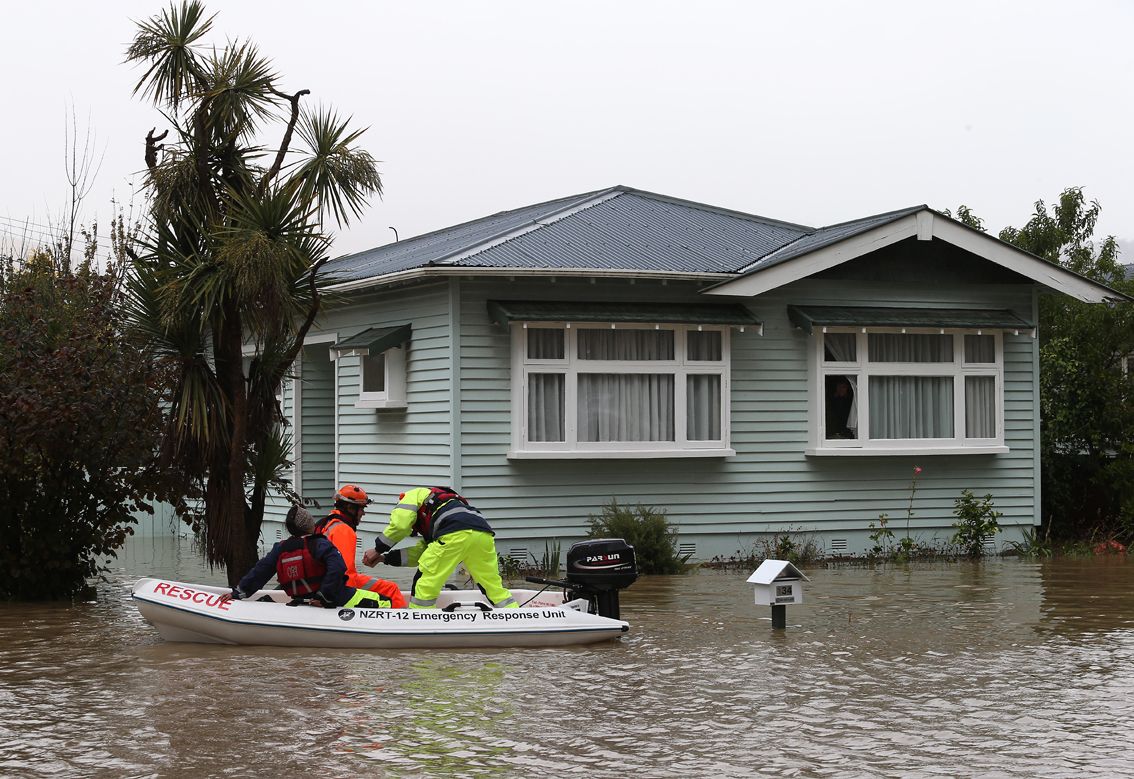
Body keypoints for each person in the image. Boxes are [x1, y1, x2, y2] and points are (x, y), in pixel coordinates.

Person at [362, 486, 518, 610]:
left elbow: (400, 526)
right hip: (483, 534)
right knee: (492, 585)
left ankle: (420, 622)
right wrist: (385, 558)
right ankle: (513, 615)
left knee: (424, 583)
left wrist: (377, 550)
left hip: (453, 534)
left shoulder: (410, 497)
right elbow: (421, 554)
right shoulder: (440, 507)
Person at [224, 504, 393, 608]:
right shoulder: (319, 543)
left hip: (301, 598)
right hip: (335, 598)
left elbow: (261, 570)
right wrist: (324, 596)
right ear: (309, 524)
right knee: (386, 601)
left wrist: (239, 592)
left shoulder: (280, 548)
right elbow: (338, 567)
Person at [313, 484, 407, 608]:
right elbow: (346, 573)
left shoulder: (326, 523)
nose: (363, 513)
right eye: (361, 508)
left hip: (325, 582)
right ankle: (401, 623)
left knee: (391, 588)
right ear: (350, 508)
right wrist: (352, 599)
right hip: (338, 587)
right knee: (391, 593)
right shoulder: (343, 530)